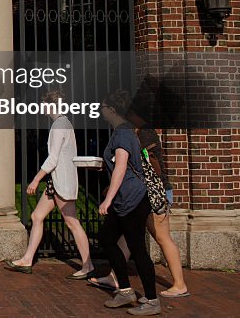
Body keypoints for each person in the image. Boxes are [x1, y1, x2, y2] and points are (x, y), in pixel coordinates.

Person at [88, 121, 188, 298]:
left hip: (153, 192)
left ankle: (179, 284)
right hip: (141, 193)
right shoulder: (130, 133)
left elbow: (152, 166)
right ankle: (114, 277)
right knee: (128, 238)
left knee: (161, 238)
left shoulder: (143, 133)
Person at [4, 89, 94, 278]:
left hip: (61, 181)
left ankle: (88, 266)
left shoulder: (59, 125)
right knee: (37, 216)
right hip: (58, 181)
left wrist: (36, 179)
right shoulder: (64, 124)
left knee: (72, 223)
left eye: (44, 103)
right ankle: (27, 260)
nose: (41, 107)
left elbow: (53, 159)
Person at [97, 90, 160, 315]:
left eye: (103, 106)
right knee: (106, 238)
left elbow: (122, 166)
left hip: (132, 198)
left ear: (112, 110)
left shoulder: (123, 133)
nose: (100, 110)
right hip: (125, 198)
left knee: (138, 250)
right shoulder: (121, 132)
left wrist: (108, 199)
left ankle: (152, 299)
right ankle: (125, 290)